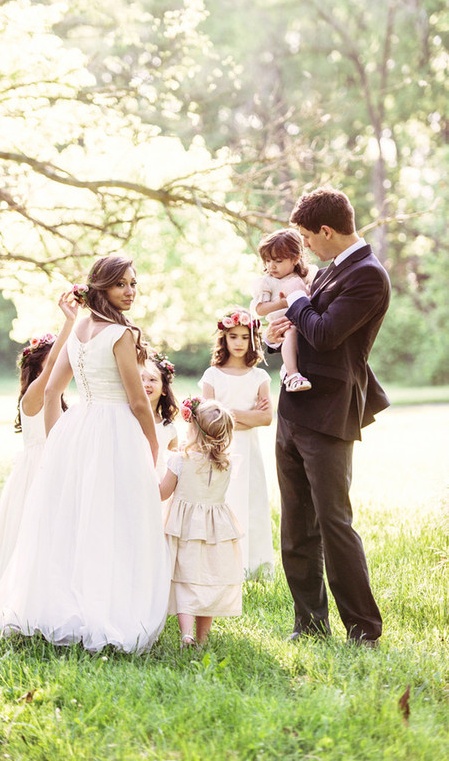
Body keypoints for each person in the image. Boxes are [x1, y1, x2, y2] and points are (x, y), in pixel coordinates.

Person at [0, 256, 170, 653]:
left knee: (77, 519)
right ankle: (108, 610)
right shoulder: (120, 334)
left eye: (133, 284)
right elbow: (137, 400)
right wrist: (153, 443)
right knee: (118, 517)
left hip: (81, 430)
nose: (130, 292)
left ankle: (68, 604)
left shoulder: (78, 329)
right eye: (121, 284)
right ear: (102, 287)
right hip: (115, 429)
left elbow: (53, 389)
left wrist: (63, 437)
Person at [266, 187, 390, 646]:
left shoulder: (369, 276)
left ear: (326, 230)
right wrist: (278, 335)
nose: (305, 247)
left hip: (331, 415)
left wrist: (296, 297)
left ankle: (363, 630)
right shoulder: (327, 271)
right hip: (292, 409)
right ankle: (310, 624)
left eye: (307, 237)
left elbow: (325, 333)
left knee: (333, 523)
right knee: (296, 525)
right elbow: (301, 328)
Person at [0, 293, 77, 592]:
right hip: (38, 470)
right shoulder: (34, 394)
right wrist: (70, 322)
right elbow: (57, 360)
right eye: (52, 365)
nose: (62, 370)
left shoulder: (58, 399)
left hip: (57, 467)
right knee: (33, 533)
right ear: (37, 369)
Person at [159, 396, 244, 647]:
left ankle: (186, 634)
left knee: (184, 578)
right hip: (216, 531)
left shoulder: (179, 459)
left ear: (192, 428)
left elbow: (163, 492)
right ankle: (203, 639)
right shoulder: (227, 463)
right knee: (208, 580)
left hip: (184, 528)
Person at [200, 308, 274, 578]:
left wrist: (226, 413)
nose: (240, 342)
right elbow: (207, 419)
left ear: (253, 339)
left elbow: (266, 418)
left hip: (249, 449)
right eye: (234, 336)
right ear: (224, 338)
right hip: (221, 448)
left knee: (251, 502)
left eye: (245, 336)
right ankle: (223, 566)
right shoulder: (212, 375)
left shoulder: (259, 377)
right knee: (225, 501)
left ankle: (253, 565)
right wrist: (247, 416)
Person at [251, 228, 318, 392]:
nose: (271, 266)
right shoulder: (267, 282)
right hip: (283, 324)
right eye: (267, 261)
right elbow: (260, 309)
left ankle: (292, 370)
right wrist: (282, 303)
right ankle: (292, 374)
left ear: (295, 258)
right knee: (291, 331)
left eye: (278, 261)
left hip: (306, 321)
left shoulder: (306, 275)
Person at [141, 351, 179, 481]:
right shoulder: (128, 418)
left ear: (164, 389)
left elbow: (175, 462)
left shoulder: (168, 428)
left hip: (157, 484)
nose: (146, 384)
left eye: (152, 379)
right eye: (141, 379)